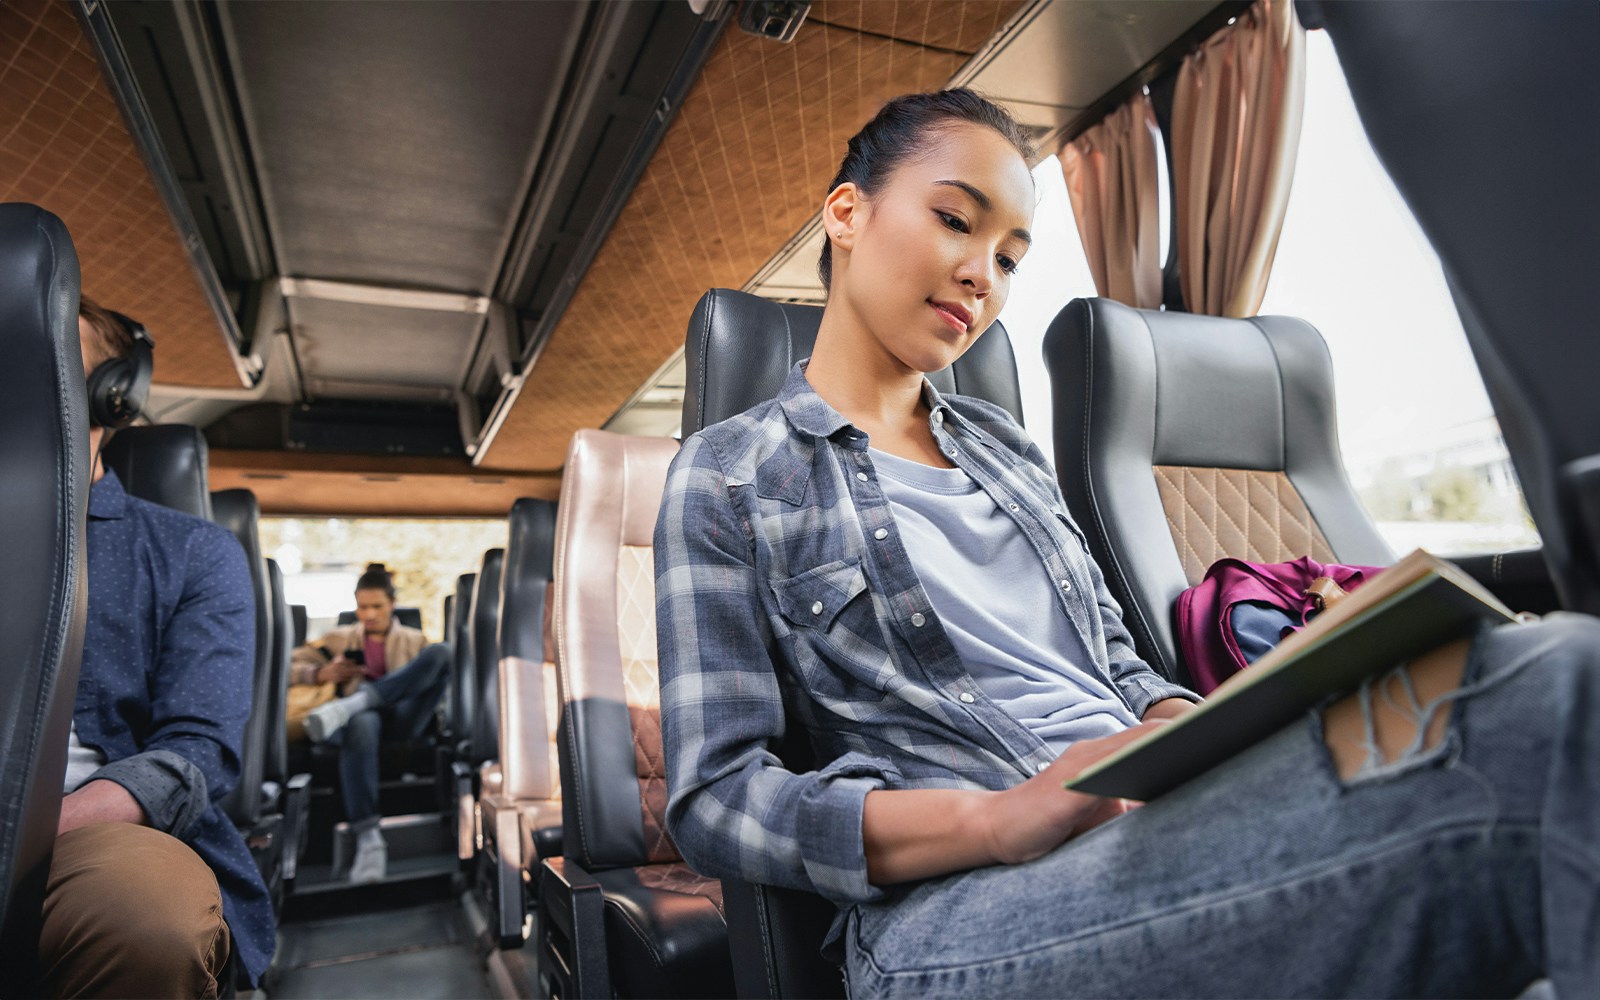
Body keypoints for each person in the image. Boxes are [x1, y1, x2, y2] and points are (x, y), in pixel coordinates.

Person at [654, 89, 1600, 997]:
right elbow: (716, 798)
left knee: (1512, 664)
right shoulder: (729, 474)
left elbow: (1112, 660)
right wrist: (992, 821)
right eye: (955, 220)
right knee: (1552, 701)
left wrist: (1178, 723)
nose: (985, 275)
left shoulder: (1007, 451)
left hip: (1154, 813)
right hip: (955, 906)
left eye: (1012, 256)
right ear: (847, 213)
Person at [37, 295, 273, 997]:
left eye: (42, 359)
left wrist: (33, 829)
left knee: (147, 918)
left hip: (85, 837)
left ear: (115, 397)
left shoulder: (190, 553)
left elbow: (196, 748)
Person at [289, 563, 451, 883]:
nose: (369, 614)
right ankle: (369, 840)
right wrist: (322, 673)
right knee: (362, 721)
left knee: (442, 652)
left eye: (377, 606)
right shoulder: (338, 639)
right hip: (357, 729)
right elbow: (290, 666)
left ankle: (358, 702)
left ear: (392, 604)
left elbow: (430, 682)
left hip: (402, 720)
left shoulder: (415, 639)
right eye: (362, 607)